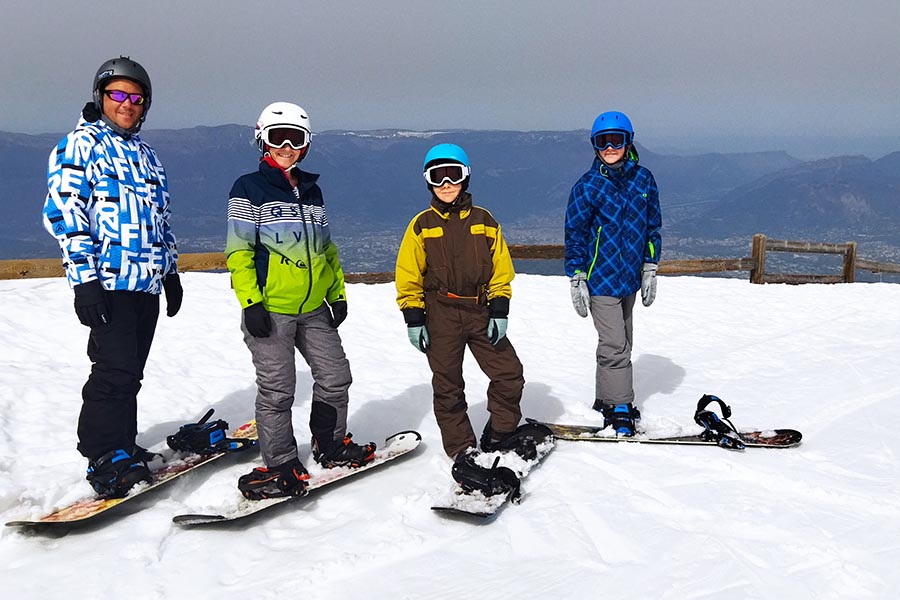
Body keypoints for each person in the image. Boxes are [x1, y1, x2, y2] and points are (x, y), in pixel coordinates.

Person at [41, 56, 182, 498]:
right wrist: (83, 280)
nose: (126, 103)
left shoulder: (147, 156)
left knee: (131, 372)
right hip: (107, 282)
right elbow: (65, 213)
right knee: (113, 370)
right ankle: (102, 456)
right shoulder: (79, 146)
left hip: (145, 284)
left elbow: (161, 217)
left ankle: (123, 445)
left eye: (135, 98)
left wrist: (171, 271)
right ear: (100, 97)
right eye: (117, 94)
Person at [225, 101, 375, 501]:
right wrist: (251, 302)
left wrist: (337, 293)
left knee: (335, 377)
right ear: (263, 141)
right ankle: (280, 462)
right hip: (271, 308)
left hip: (313, 308)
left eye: (296, 138)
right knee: (278, 390)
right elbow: (239, 252)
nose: (287, 146)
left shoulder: (312, 191)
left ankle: (329, 445)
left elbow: (326, 250)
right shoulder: (248, 189)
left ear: (306, 144)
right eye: (278, 138)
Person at [396, 143, 540, 481]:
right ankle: (462, 449)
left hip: (479, 309)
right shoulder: (421, 225)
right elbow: (408, 274)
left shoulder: (485, 221)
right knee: (448, 385)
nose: (446, 184)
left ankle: (501, 432)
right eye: (437, 177)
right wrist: (414, 317)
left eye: (454, 175)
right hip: (440, 311)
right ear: (428, 182)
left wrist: (499, 309)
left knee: (509, 373)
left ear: (466, 177)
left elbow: (500, 269)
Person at [564, 111, 662, 436]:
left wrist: (650, 266)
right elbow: (575, 233)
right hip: (601, 278)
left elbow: (652, 226)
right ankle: (621, 406)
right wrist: (577, 276)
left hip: (630, 278)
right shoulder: (588, 186)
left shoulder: (643, 180)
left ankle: (604, 398)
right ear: (594, 146)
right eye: (602, 141)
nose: (609, 147)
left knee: (622, 341)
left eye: (616, 140)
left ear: (628, 142)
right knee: (615, 343)